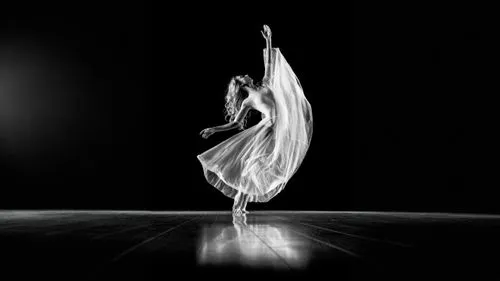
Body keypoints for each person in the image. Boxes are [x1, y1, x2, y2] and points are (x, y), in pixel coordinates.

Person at [198, 25, 313, 215]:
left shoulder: (266, 83)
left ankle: (239, 205)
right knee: (252, 169)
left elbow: (269, 63)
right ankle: (239, 206)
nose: (247, 74)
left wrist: (268, 39)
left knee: (260, 169)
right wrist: (214, 129)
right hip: (266, 131)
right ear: (242, 84)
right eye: (243, 76)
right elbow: (235, 123)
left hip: (279, 131)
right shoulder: (248, 101)